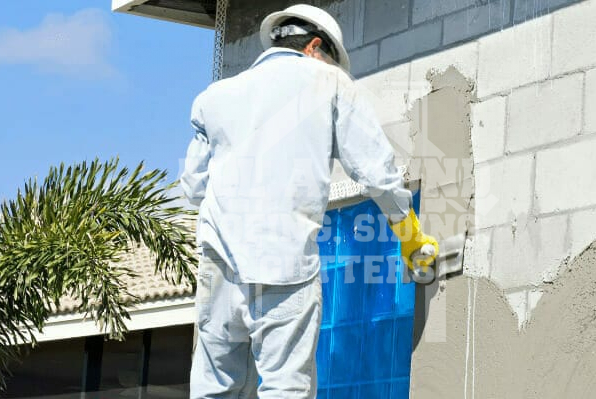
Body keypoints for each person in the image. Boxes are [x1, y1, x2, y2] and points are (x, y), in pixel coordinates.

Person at [181, 4, 439, 398]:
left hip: (218, 268)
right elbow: (376, 172)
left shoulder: (214, 98)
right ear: (315, 47)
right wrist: (411, 235)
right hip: (283, 264)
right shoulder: (329, 83)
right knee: (286, 388)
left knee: (214, 390)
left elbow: (193, 189)